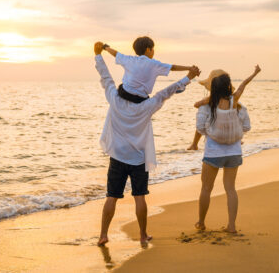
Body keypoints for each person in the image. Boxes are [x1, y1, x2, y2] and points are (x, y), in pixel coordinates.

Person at [93, 42, 200, 246]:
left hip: (117, 156)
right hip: (138, 159)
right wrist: (189, 78)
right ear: (149, 50)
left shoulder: (114, 99)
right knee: (139, 197)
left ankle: (103, 235)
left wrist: (99, 55)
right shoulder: (147, 106)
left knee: (111, 197)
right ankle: (142, 235)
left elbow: (106, 78)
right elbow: (166, 92)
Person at [194, 66, 261, 233]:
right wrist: (254, 73)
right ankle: (232, 226)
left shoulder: (207, 105)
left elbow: (200, 128)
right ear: (229, 86)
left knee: (206, 188)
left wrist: (212, 134)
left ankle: (201, 222)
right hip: (234, 152)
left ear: (212, 88)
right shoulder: (237, 103)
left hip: (213, 153)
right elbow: (246, 127)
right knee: (230, 189)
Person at [101, 36, 198, 103]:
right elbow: (173, 67)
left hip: (123, 94)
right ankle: (181, 87)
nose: (154, 51)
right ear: (148, 49)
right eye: (153, 49)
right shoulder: (154, 64)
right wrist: (189, 68)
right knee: (150, 99)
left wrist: (106, 47)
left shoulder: (129, 59)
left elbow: (115, 53)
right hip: (140, 99)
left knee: (123, 85)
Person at [187, 67, 261, 150]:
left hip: (217, 134)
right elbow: (244, 83)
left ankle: (194, 144)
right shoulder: (235, 98)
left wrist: (206, 101)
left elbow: (196, 105)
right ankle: (235, 139)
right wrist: (255, 73)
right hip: (232, 130)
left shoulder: (210, 100)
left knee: (204, 115)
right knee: (235, 115)